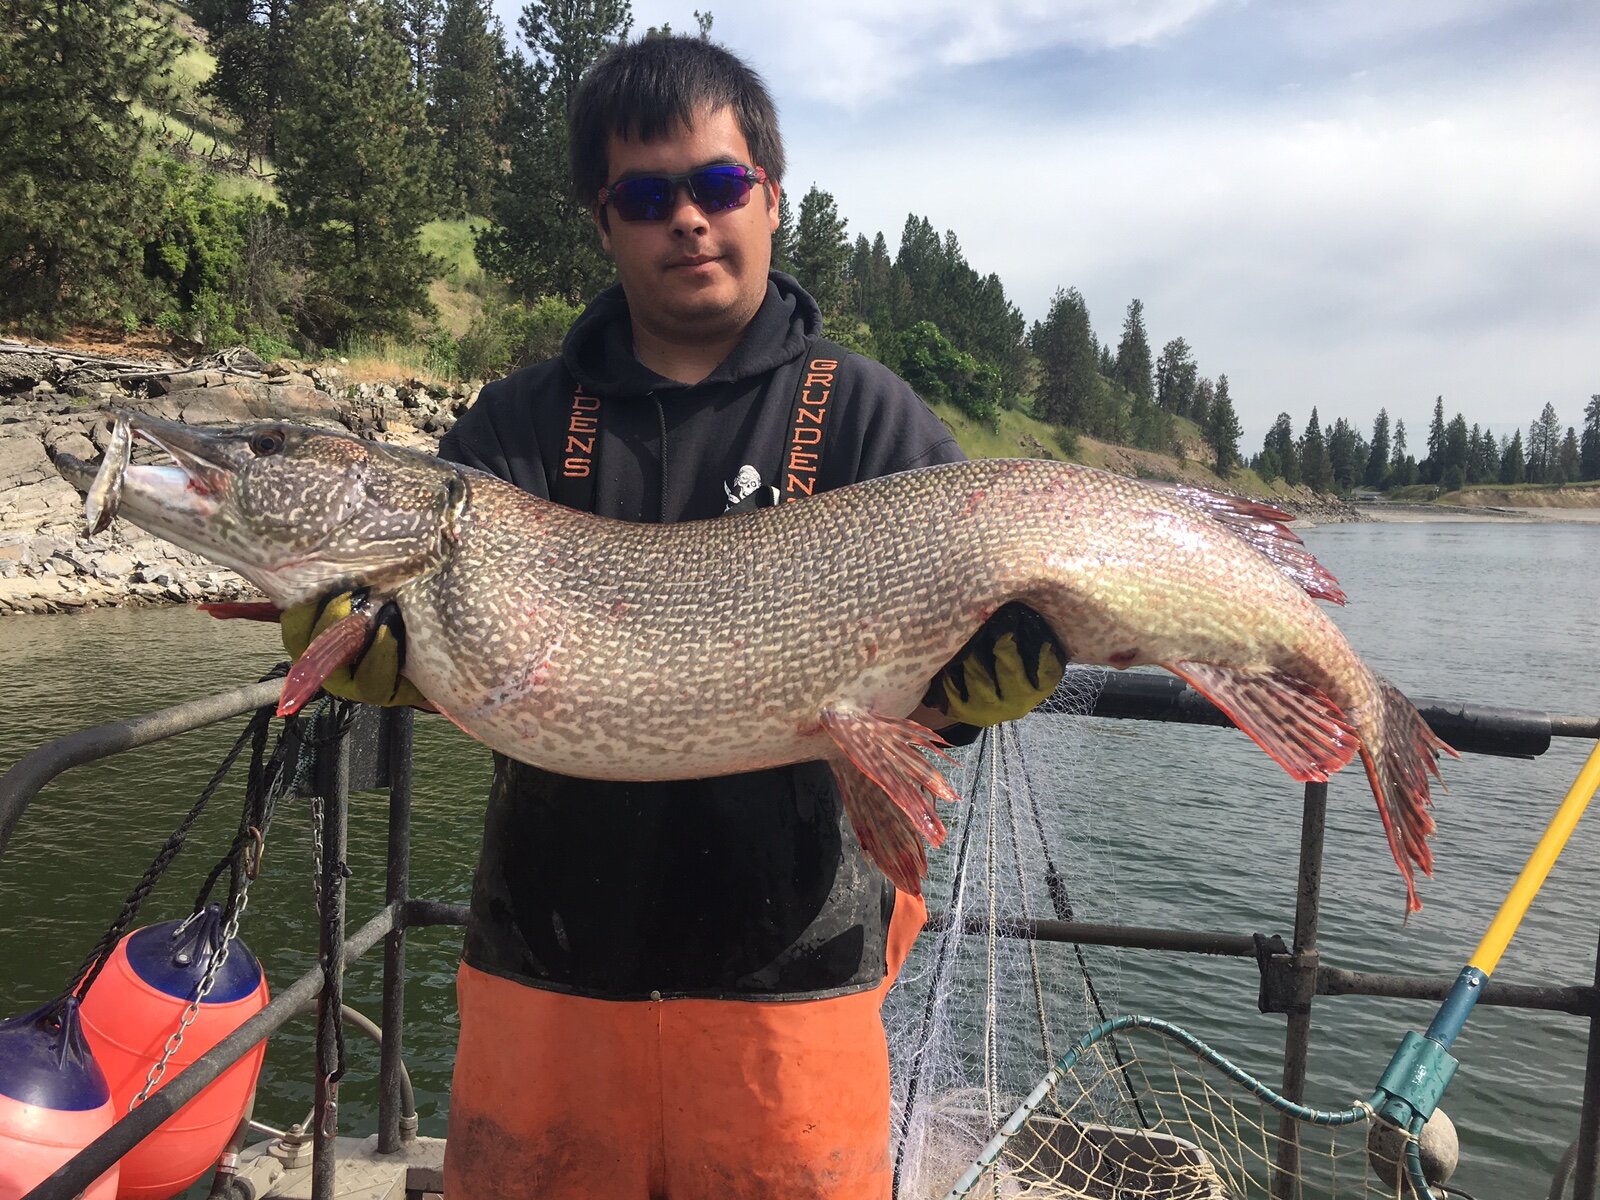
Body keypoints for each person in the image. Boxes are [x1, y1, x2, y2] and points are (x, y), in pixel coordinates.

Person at [286, 35, 1063, 1200]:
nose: (687, 220)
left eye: (716, 185)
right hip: (545, 971)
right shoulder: (517, 426)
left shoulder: (868, 420)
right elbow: (459, 650)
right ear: (605, 223)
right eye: (648, 196)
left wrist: (966, 703)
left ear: (772, 198)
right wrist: (373, 647)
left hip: (792, 993)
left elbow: (930, 703)